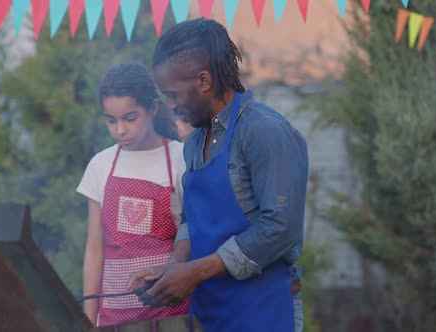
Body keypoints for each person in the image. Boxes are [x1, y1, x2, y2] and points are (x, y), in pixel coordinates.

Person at [128, 18, 309, 332]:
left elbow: (281, 227)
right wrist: (176, 267)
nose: (170, 106)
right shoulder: (195, 142)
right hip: (212, 315)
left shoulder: (264, 132)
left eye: (172, 95)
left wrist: (196, 273)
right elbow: (191, 218)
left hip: (264, 312)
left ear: (203, 81)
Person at [77, 63, 190, 328]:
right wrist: (88, 317)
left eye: (130, 118)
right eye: (111, 120)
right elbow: (95, 248)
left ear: (152, 109)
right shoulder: (100, 165)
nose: (120, 130)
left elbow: (193, 235)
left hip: (172, 315)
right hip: (114, 316)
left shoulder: (180, 158)